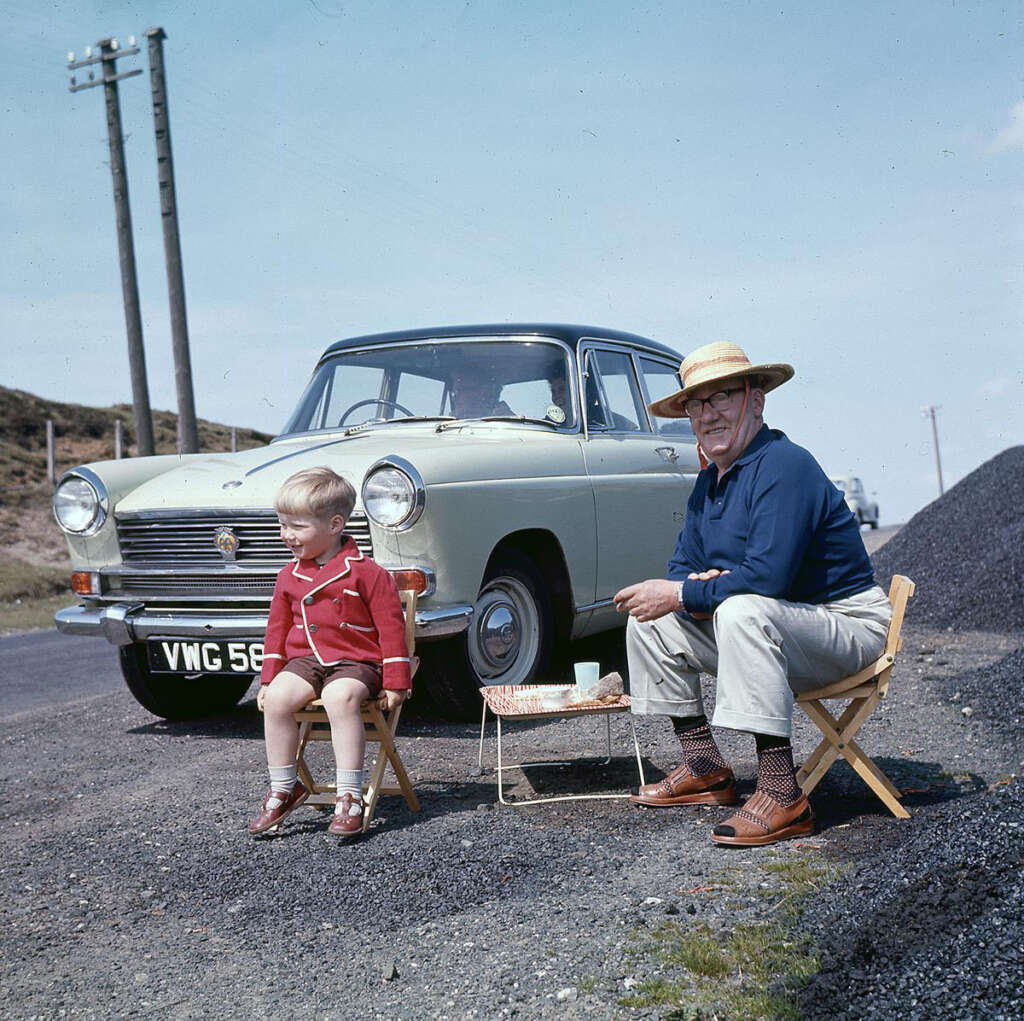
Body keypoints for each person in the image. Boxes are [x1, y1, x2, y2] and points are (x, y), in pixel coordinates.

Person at [614, 341, 891, 847]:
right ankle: (705, 768)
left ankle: (784, 794)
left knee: (739, 608)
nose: (708, 413)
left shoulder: (785, 465)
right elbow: (684, 569)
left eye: (722, 397)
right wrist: (692, 588)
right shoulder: (707, 483)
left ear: (756, 400)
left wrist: (699, 588)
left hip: (846, 624)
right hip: (786, 624)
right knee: (649, 617)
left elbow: (766, 580)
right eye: (696, 403)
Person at [249, 466, 412, 838]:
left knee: (340, 697)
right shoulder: (289, 575)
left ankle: (350, 795)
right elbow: (276, 632)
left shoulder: (368, 573)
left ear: (336, 524)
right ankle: (285, 786)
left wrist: (396, 681)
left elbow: (391, 630)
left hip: (357, 662)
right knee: (276, 701)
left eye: (297, 526)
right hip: (307, 661)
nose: (286, 535)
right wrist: (268, 679)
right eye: (283, 525)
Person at [449, 366, 513, 418]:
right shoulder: (447, 425)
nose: (454, 398)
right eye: (455, 391)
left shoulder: (507, 421)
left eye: (461, 390)